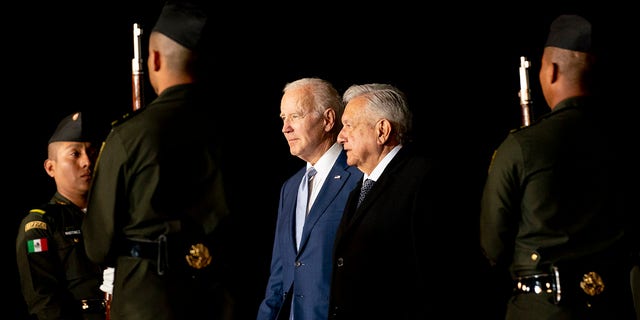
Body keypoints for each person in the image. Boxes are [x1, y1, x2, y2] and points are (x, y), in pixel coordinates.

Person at [81, 1, 233, 319]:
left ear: (156, 58)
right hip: (220, 298)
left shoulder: (129, 136)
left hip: (147, 300)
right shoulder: (229, 128)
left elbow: (97, 244)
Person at [479, 14, 637, 319]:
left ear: (550, 71)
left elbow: (492, 247)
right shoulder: (625, 141)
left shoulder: (523, 145)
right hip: (618, 306)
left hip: (545, 309)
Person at [328, 83, 442, 319]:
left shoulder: (424, 181)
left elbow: (434, 275)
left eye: (348, 125)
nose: (340, 137)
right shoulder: (359, 188)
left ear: (382, 130)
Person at [256, 78, 362, 320]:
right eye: (283, 118)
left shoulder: (358, 177)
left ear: (328, 120)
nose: (285, 128)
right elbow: (279, 275)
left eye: (295, 116)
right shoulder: (290, 188)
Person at [16, 111, 107, 319]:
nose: (87, 162)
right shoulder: (42, 224)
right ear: (50, 168)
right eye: (75, 154)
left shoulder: (116, 214)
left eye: (92, 153)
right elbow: (45, 303)